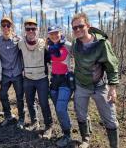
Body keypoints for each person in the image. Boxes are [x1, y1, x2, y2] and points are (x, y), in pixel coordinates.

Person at [71, 13, 119, 148]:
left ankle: (114, 145)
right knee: (81, 114)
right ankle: (85, 139)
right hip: (81, 85)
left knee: (110, 118)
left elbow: (112, 65)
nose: (78, 30)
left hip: (100, 85)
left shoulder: (102, 44)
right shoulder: (75, 44)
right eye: (75, 28)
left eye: (81, 26)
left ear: (88, 26)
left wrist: (113, 88)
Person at [18, 18, 53, 139]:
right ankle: (34, 122)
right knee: (29, 102)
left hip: (42, 78)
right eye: (28, 29)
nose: (31, 31)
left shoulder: (44, 43)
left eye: (33, 28)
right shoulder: (20, 43)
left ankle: (48, 126)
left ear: (37, 30)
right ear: (25, 30)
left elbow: (52, 56)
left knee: (44, 103)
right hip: (28, 78)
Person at [0, 16, 25, 129]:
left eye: (8, 25)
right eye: (4, 25)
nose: (6, 27)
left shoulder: (19, 40)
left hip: (17, 74)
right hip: (5, 74)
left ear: (12, 27)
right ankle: (8, 116)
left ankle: (21, 119)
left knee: (20, 97)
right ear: (1, 27)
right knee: (2, 95)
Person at [47, 25, 74, 147]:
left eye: (56, 33)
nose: (54, 36)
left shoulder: (67, 45)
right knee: (59, 108)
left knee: (60, 108)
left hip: (65, 80)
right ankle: (66, 128)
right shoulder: (49, 47)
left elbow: (80, 57)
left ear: (60, 33)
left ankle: (68, 135)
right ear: (49, 35)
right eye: (51, 34)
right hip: (54, 81)